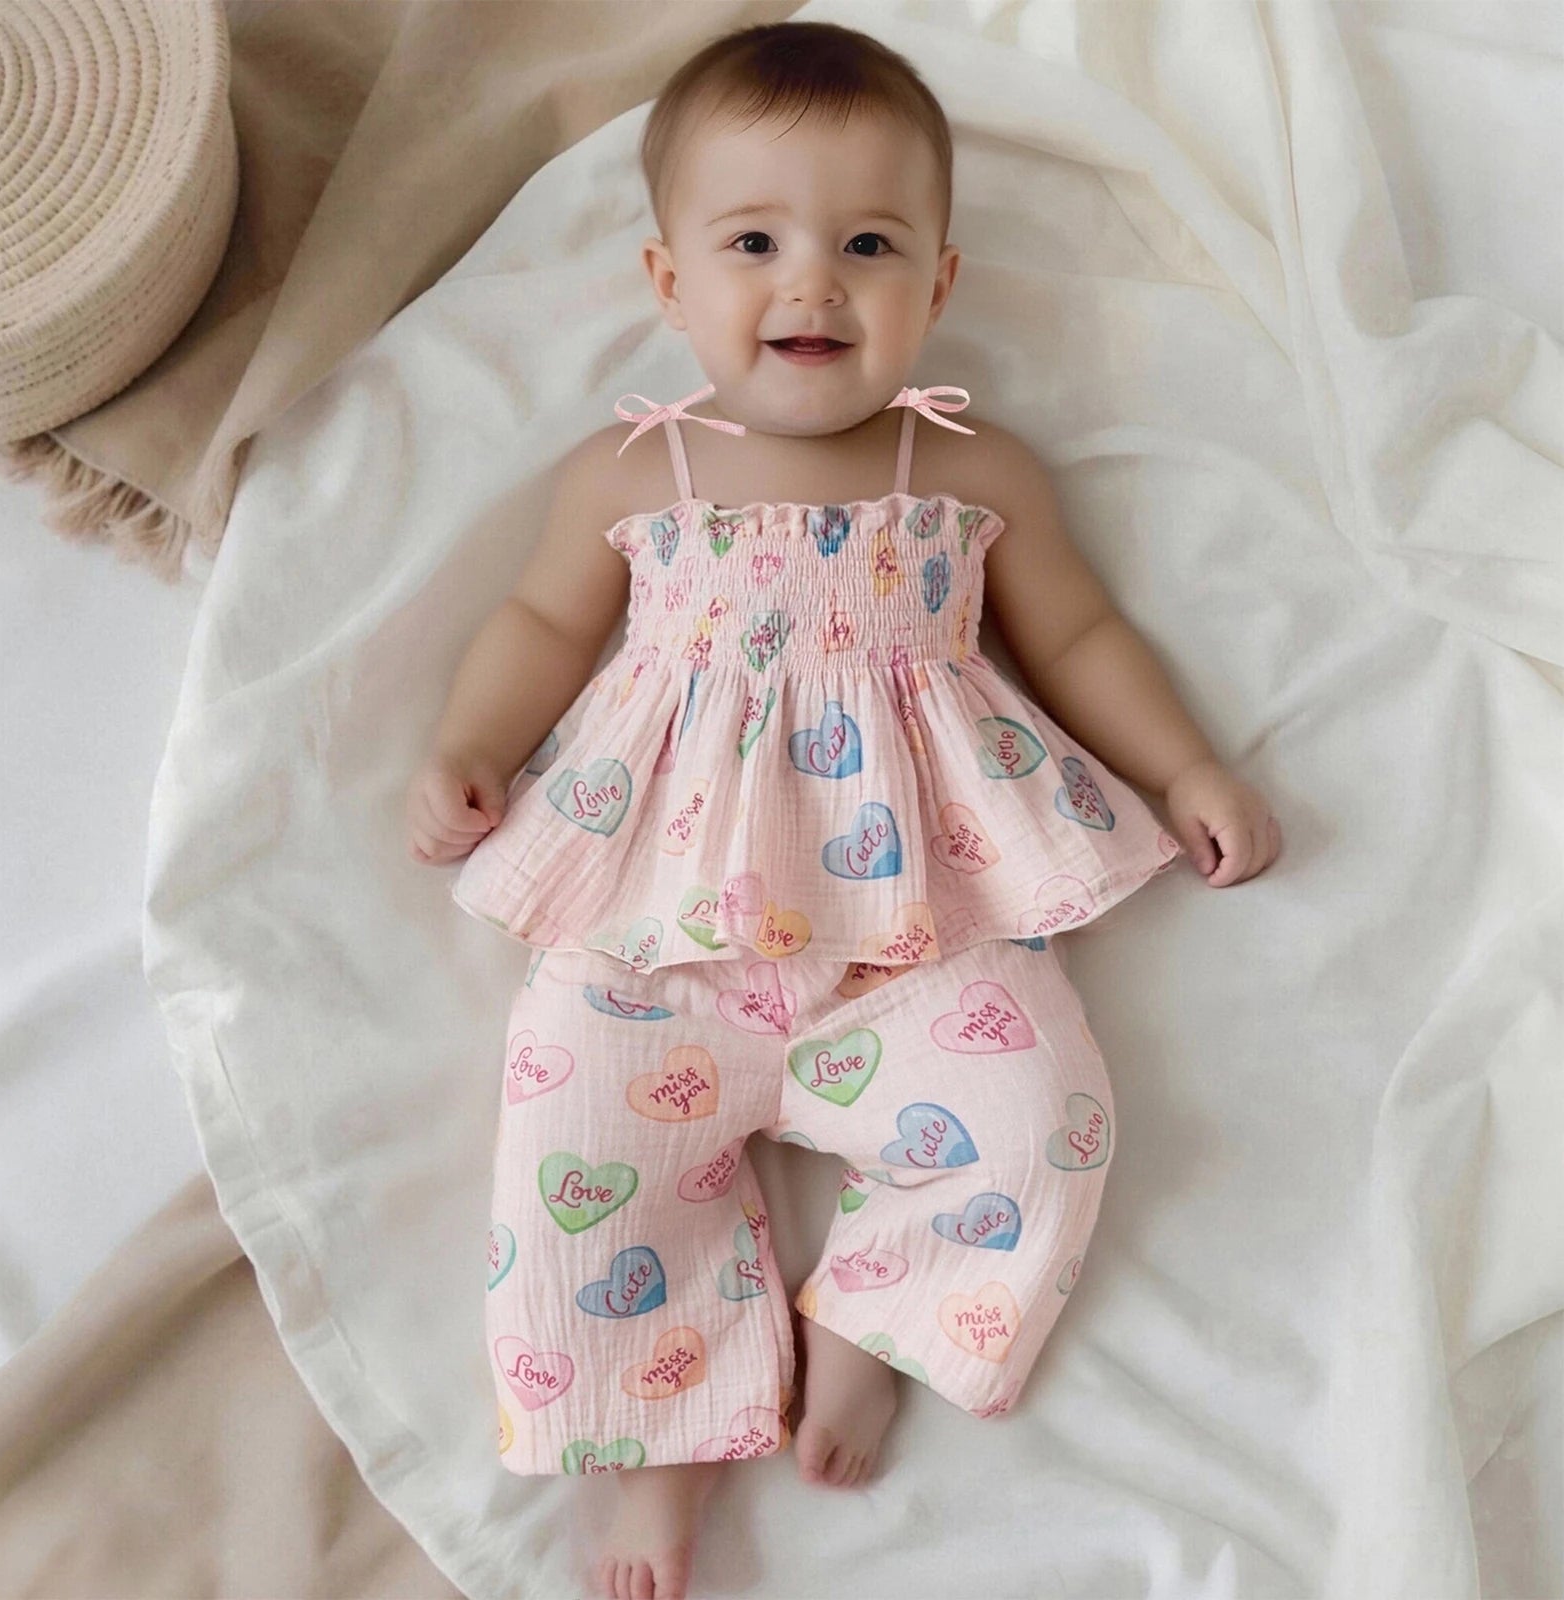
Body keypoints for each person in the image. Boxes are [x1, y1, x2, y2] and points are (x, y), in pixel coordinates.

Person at [406, 20, 1280, 1600]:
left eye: (868, 244)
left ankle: (869, 1319)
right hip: (654, 929)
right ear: (670, 282)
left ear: (935, 287)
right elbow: (540, 629)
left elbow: (1077, 637)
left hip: (916, 934)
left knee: (1044, 1118)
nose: (811, 283)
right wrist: (471, 745)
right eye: (755, 242)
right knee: (570, 1161)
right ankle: (658, 1454)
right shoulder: (632, 476)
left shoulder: (968, 471)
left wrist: (1188, 769)